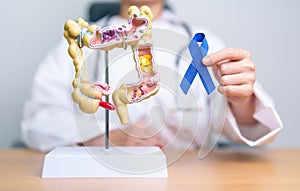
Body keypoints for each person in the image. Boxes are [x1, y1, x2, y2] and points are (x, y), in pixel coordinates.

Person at [21, 0, 283, 152]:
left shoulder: (201, 40)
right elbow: (38, 120)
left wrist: (242, 98)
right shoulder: (83, 41)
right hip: (103, 184)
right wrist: (105, 136)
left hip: (186, 183)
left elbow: (257, 125)